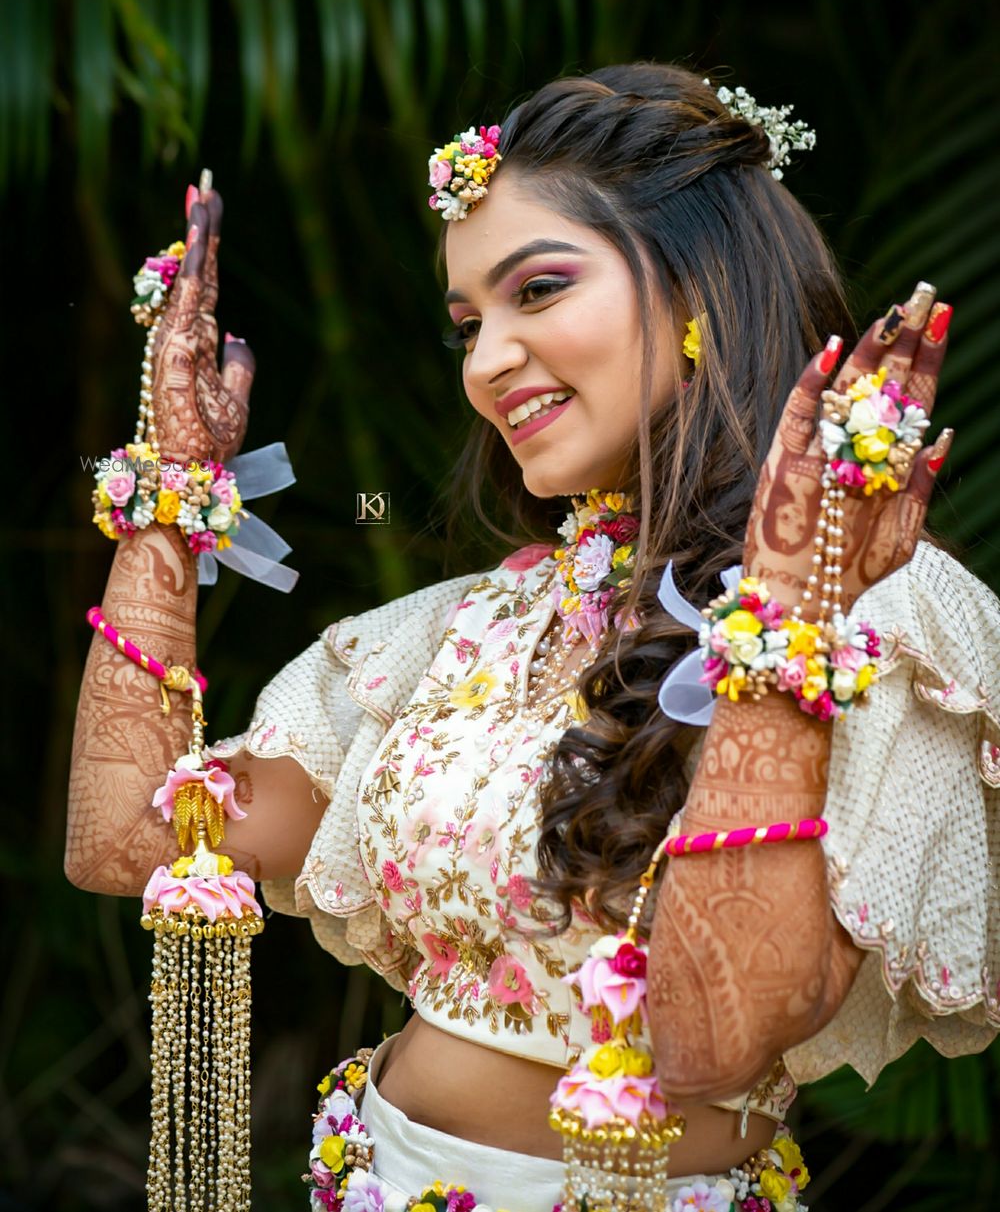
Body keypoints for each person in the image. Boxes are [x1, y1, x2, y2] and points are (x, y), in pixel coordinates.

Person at [67, 61, 1000, 1212]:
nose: (485, 362)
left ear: (698, 285)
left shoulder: (881, 619)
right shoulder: (464, 629)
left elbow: (709, 1036)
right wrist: (171, 497)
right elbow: (130, 844)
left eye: (538, 290)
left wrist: (784, 618)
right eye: (467, 323)